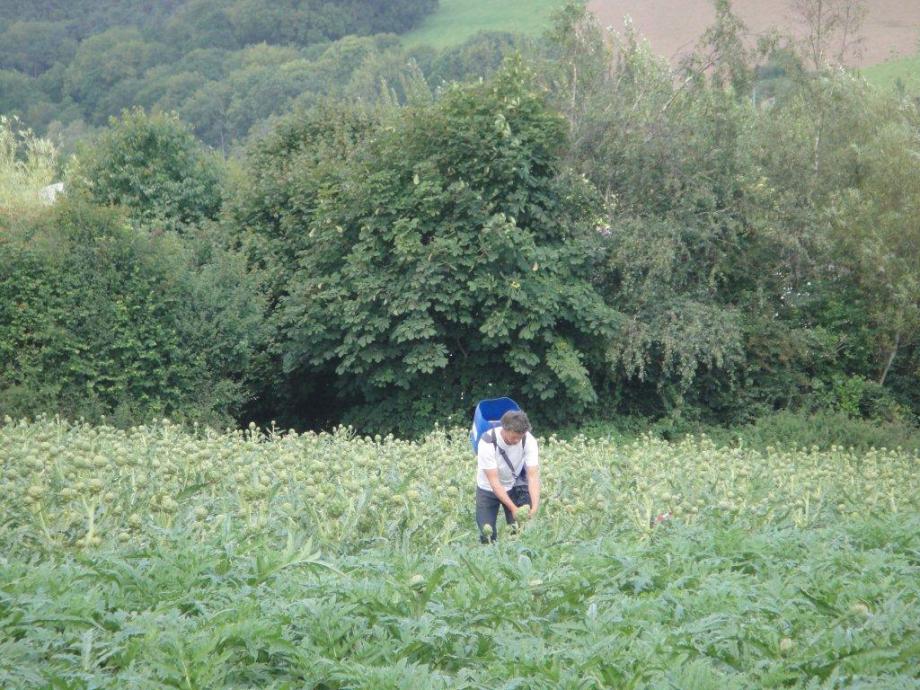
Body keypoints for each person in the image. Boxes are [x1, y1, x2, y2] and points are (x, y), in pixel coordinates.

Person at [475, 409, 540, 542]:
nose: (517, 440)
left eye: (520, 437)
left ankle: (516, 559)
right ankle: (489, 559)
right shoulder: (487, 441)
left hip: (512, 486)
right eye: (514, 436)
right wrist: (513, 508)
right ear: (503, 429)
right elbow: (494, 481)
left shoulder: (529, 441)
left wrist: (535, 506)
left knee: (518, 532)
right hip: (487, 488)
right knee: (487, 535)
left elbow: (532, 476)